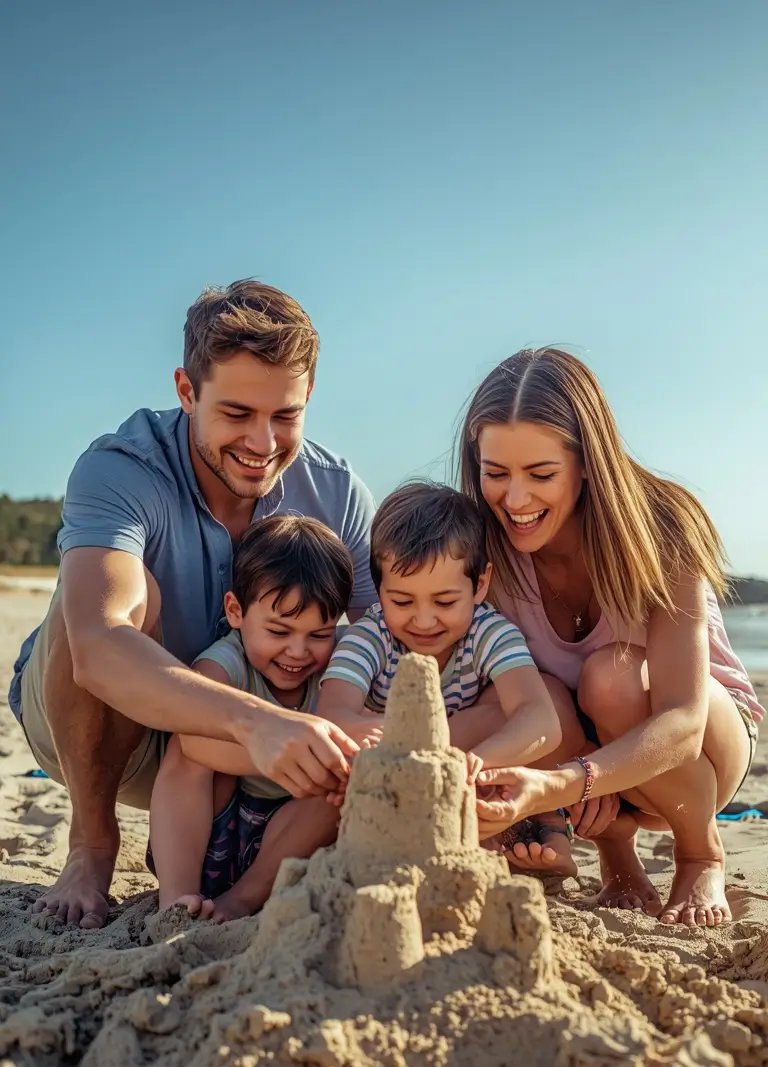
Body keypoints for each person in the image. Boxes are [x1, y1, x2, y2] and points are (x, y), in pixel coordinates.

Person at [8, 279, 378, 931]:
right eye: (237, 413)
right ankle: (92, 847)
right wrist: (254, 723)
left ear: (308, 397)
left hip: (252, 755)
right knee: (100, 595)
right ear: (187, 392)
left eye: (285, 415)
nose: (263, 443)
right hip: (90, 728)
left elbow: (399, 641)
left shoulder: (338, 491)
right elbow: (95, 647)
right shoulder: (122, 468)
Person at [455, 346, 763, 928]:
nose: (515, 501)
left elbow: (682, 721)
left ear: (587, 463)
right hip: (579, 754)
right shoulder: (482, 545)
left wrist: (565, 781)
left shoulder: (662, 525)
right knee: (532, 688)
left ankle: (700, 853)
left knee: (613, 674)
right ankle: (618, 858)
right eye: (496, 474)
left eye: (541, 475)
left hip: (700, 749)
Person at [316, 481, 571, 862]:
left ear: (480, 583)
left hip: (471, 773)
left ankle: (550, 835)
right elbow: (331, 715)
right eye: (401, 600)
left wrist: (474, 763)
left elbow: (543, 722)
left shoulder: (489, 631)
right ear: (379, 588)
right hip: (395, 779)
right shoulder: (371, 635)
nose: (423, 620)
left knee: (529, 704)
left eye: (445, 601)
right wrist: (393, 738)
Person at [149, 515, 372, 923]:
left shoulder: (345, 663)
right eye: (279, 630)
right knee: (189, 748)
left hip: (294, 843)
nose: (298, 651)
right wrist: (275, 754)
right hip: (217, 837)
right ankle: (177, 899)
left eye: (319, 634)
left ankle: (243, 900)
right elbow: (195, 739)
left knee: (342, 780)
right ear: (236, 611)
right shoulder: (223, 664)